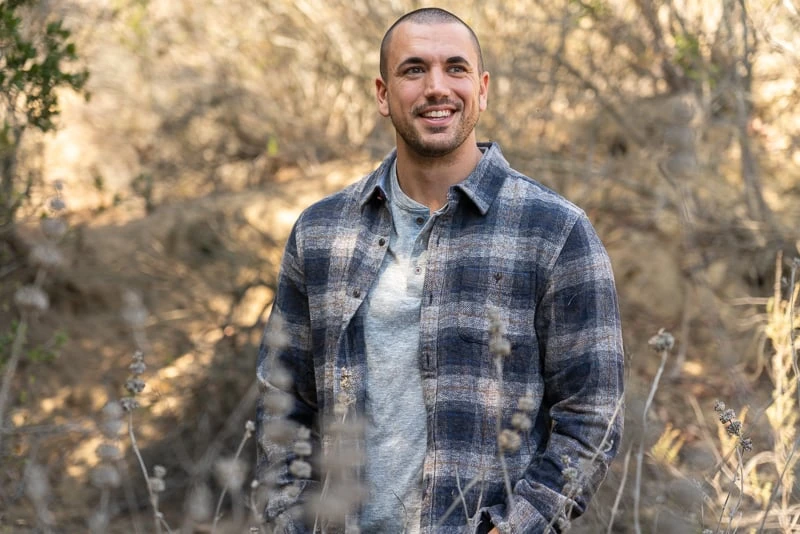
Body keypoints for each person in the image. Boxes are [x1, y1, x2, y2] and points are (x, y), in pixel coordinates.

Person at [256, 7, 624, 534]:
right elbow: (282, 402)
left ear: (483, 87)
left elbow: (593, 417)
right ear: (383, 94)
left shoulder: (555, 232)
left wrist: (517, 527)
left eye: (455, 68)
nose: (436, 87)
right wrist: (290, 520)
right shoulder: (321, 233)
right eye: (413, 70)